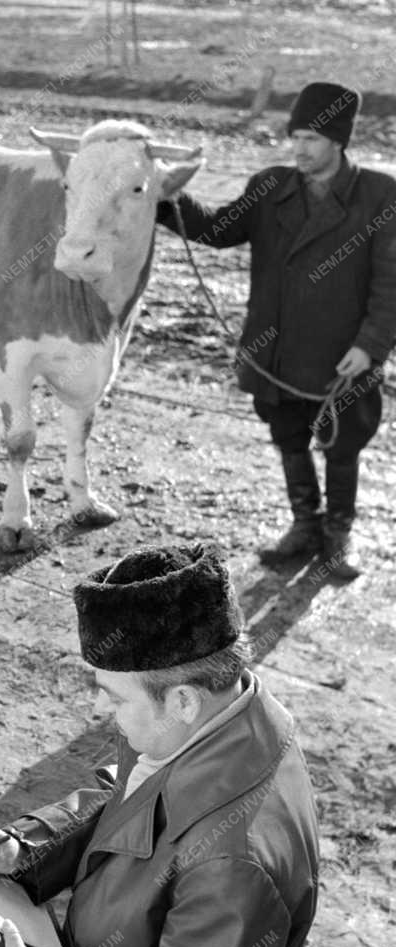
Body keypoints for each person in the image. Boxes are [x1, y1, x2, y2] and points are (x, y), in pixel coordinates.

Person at [0, 544, 319, 947]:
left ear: (182, 701)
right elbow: (130, 795)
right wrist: (29, 848)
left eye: (115, 699)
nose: (105, 713)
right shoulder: (214, 722)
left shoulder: (232, 862)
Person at [156, 81, 396, 579]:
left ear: (338, 142)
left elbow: (390, 282)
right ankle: (304, 526)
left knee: (342, 444)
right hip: (278, 348)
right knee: (288, 436)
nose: (300, 148)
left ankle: (337, 539)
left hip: (342, 355)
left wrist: (370, 347)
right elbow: (219, 231)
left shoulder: (379, 195)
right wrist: (169, 200)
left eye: (312, 138)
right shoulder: (269, 187)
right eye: (296, 137)